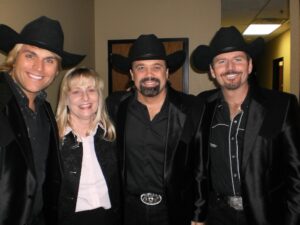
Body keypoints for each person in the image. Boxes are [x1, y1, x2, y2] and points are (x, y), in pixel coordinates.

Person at [191, 26, 300, 225]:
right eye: (221, 61)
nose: (230, 67)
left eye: (238, 59)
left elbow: (296, 175)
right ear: (212, 71)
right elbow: (198, 167)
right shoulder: (202, 106)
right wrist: (199, 213)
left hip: (265, 215)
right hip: (217, 215)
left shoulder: (280, 106)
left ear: (250, 65)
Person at [106, 34, 206, 225]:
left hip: (174, 210)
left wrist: (199, 213)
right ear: (132, 74)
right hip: (129, 211)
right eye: (141, 67)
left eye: (156, 67)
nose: (149, 74)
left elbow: (200, 167)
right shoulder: (115, 107)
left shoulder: (192, 108)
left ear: (167, 72)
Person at [0, 16, 85, 225]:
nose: (39, 68)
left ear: (57, 70)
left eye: (49, 60)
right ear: (14, 57)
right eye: (30, 55)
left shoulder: (46, 111)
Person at [56, 67, 121, 225]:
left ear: (99, 96)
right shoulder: (54, 137)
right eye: (76, 91)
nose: (85, 97)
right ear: (66, 98)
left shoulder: (111, 135)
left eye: (91, 90)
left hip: (110, 217)